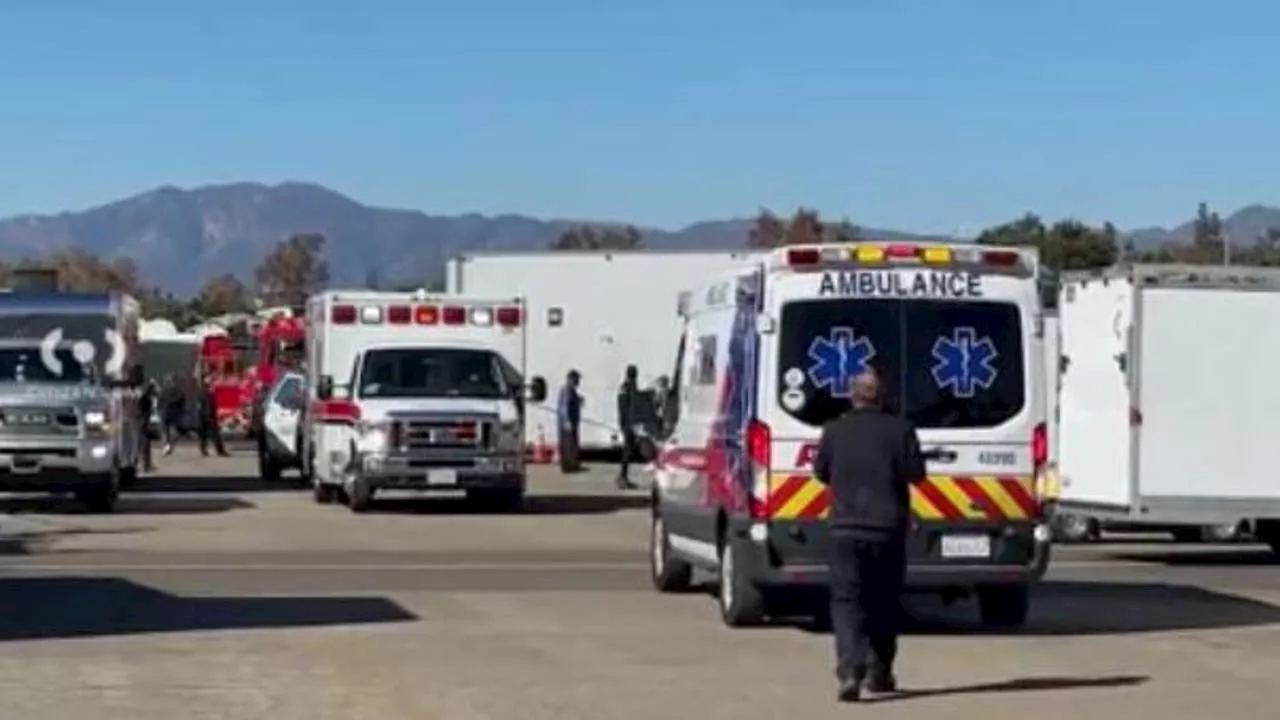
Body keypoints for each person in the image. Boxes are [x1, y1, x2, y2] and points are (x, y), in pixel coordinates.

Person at [813, 368, 925, 702]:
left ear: (853, 394)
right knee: (884, 601)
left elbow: (821, 472)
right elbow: (916, 474)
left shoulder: (834, 430)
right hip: (887, 529)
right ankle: (879, 672)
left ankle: (850, 670)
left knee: (847, 601)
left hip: (845, 528)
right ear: (882, 396)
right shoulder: (901, 430)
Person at [615, 365, 640, 490]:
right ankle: (622, 477)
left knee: (628, 450)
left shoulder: (624, 387)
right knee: (627, 451)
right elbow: (629, 407)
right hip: (629, 424)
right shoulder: (630, 387)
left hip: (626, 422)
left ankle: (623, 476)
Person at [196, 373, 230, 457]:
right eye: (209, 379)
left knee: (204, 435)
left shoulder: (203, 390)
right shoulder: (206, 391)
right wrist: (210, 416)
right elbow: (208, 405)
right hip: (208, 416)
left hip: (204, 416)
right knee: (215, 435)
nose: (211, 380)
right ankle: (219, 451)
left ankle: (203, 450)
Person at [556, 370, 583, 473]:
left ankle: (571, 464)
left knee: (571, 444)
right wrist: (567, 421)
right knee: (568, 445)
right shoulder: (567, 390)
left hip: (571, 422)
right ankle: (568, 466)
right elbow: (564, 407)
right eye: (577, 379)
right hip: (568, 423)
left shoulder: (571, 390)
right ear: (571, 379)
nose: (578, 382)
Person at [159, 374, 185, 456]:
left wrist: (160, 409)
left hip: (165, 412)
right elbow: (182, 401)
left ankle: (166, 446)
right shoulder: (179, 391)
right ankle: (169, 446)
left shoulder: (163, 390)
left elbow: (159, 401)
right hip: (174, 413)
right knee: (175, 432)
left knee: (164, 431)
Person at [137, 376, 158, 472]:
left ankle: (146, 464)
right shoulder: (144, 397)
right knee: (144, 444)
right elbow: (142, 411)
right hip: (142, 422)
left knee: (145, 444)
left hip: (144, 421)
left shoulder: (144, 396)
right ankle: (145, 465)